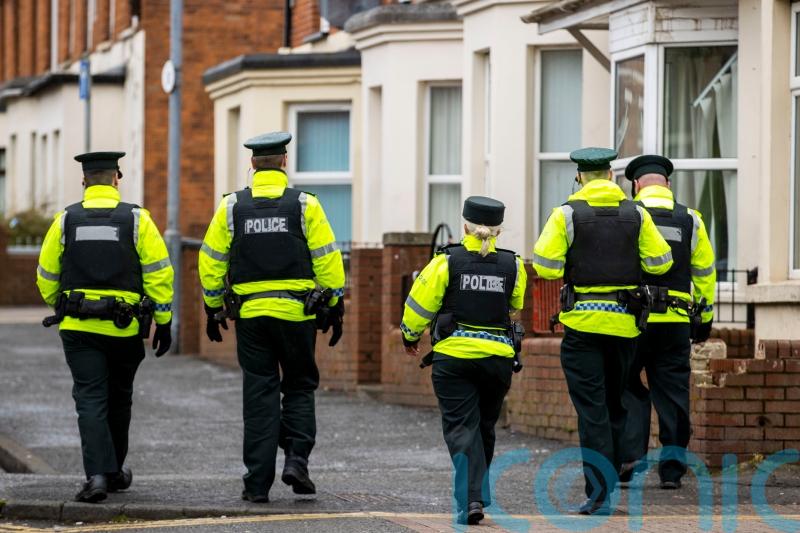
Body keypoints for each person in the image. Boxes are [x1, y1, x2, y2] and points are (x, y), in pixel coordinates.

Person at [198, 132, 345, 503]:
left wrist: (214, 306)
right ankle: (296, 459)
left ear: (252, 165)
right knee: (298, 385)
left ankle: (256, 484)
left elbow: (211, 261)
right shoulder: (305, 205)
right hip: (297, 314)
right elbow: (327, 258)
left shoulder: (231, 207)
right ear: (284, 162)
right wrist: (335, 302)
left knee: (259, 393)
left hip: (251, 317)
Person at [532, 148, 673, 515]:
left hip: (582, 327)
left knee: (592, 409)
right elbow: (661, 263)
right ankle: (617, 467)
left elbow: (545, 267)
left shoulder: (566, 214)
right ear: (611, 176)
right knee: (615, 402)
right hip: (625, 326)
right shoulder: (637, 213)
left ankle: (599, 491)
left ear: (580, 177)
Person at [36, 151, 174, 503]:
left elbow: (47, 273)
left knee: (90, 399)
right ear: (117, 179)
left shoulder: (65, 220)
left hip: (78, 328)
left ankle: (98, 475)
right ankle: (112, 472)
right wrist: (164, 320)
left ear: (84, 181)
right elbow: (159, 273)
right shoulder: (138, 220)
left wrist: (60, 303)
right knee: (119, 398)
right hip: (124, 328)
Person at [401, 196, 527, 525]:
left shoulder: (446, 262)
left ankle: (470, 498)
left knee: (461, 428)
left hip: (454, 360)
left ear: (466, 226)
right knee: (484, 426)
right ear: (498, 231)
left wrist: (410, 336)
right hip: (498, 359)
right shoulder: (514, 265)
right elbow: (515, 303)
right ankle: (479, 495)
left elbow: (418, 305)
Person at [618, 155, 716, 489]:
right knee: (673, 393)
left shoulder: (628, 216)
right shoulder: (692, 220)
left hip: (632, 321)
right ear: (668, 185)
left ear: (635, 185)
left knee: (627, 385)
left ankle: (629, 456)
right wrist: (705, 318)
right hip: (675, 321)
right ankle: (672, 471)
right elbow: (705, 273)